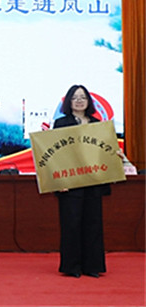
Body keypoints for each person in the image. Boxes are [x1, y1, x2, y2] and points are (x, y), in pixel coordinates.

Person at [53, 84, 119, 279]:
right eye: (75, 97)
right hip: (70, 182)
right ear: (69, 101)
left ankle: (92, 266)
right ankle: (72, 266)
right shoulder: (61, 123)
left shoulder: (98, 124)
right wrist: (59, 181)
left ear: (89, 101)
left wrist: (115, 157)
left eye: (83, 97)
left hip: (93, 181)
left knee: (93, 223)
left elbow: (103, 152)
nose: (79, 101)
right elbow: (56, 155)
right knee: (71, 224)